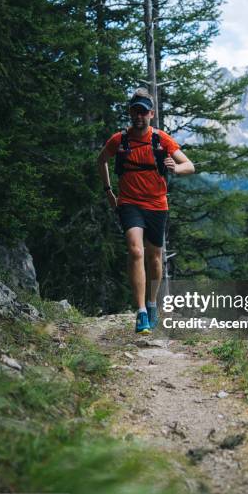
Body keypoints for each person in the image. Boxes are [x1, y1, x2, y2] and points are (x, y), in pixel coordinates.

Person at [97, 88, 195, 334]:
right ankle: (140, 312)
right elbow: (101, 160)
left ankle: (152, 304)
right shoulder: (119, 140)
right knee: (135, 251)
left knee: (154, 257)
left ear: (151, 114)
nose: (138, 116)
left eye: (143, 112)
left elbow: (189, 165)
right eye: (134, 111)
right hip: (129, 203)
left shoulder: (160, 139)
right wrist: (109, 191)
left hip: (157, 205)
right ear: (130, 113)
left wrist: (176, 168)